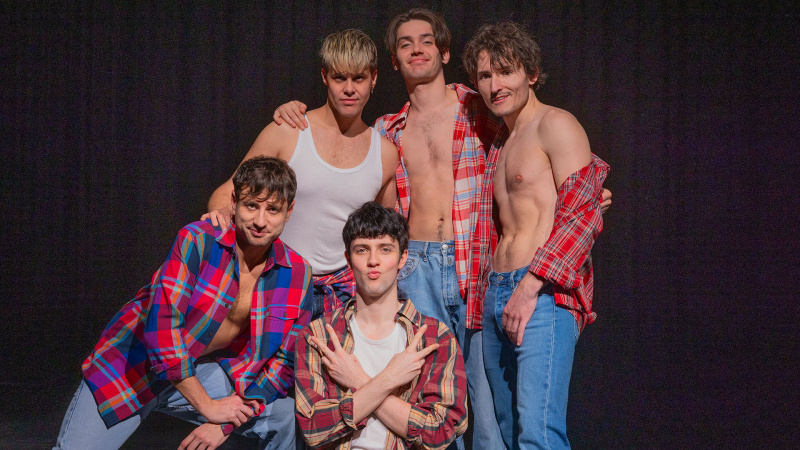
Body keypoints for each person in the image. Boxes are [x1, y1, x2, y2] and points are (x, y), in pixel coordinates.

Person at [53, 156, 313, 450]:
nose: (261, 221)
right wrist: (209, 407)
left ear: (289, 212)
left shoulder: (297, 274)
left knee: (284, 416)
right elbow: (162, 331)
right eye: (251, 205)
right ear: (234, 202)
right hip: (134, 367)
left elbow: (282, 364)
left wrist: (225, 423)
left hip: (203, 369)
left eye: (273, 210)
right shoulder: (199, 240)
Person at [463, 22, 610, 449]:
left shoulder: (556, 124)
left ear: (530, 73)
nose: (495, 85)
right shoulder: (499, 143)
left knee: (539, 434)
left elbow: (581, 215)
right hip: (496, 292)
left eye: (505, 71)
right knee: (507, 434)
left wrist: (530, 287)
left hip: (541, 293)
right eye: (485, 76)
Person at [203, 29, 398, 320]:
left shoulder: (385, 153)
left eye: (358, 78)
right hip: (277, 283)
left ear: (374, 78)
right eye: (339, 78)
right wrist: (220, 216)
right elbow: (227, 192)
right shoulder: (289, 130)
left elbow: (382, 232)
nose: (349, 89)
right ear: (324, 77)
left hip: (343, 296)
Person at [294, 201, 467, 449]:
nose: (373, 260)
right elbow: (314, 429)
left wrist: (358, 379)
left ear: (402, 257)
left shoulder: (435, 338)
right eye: (362, 250)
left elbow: (441, 433)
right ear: (348, 259)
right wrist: (388, 380)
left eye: (385, 249)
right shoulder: (319, 336)